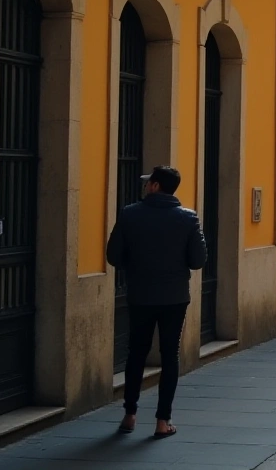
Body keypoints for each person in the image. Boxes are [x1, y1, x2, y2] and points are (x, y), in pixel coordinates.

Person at [107, 165, 207, 439]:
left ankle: (129, 415)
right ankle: (163, 421)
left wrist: (136, 265)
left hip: (140, 294)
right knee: (169, 355)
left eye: (148, 182)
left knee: (136, 352)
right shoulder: (188, 218)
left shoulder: (130, 214)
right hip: (174, 297)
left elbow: (113, 256)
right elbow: (198, 260)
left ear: (154, 186)